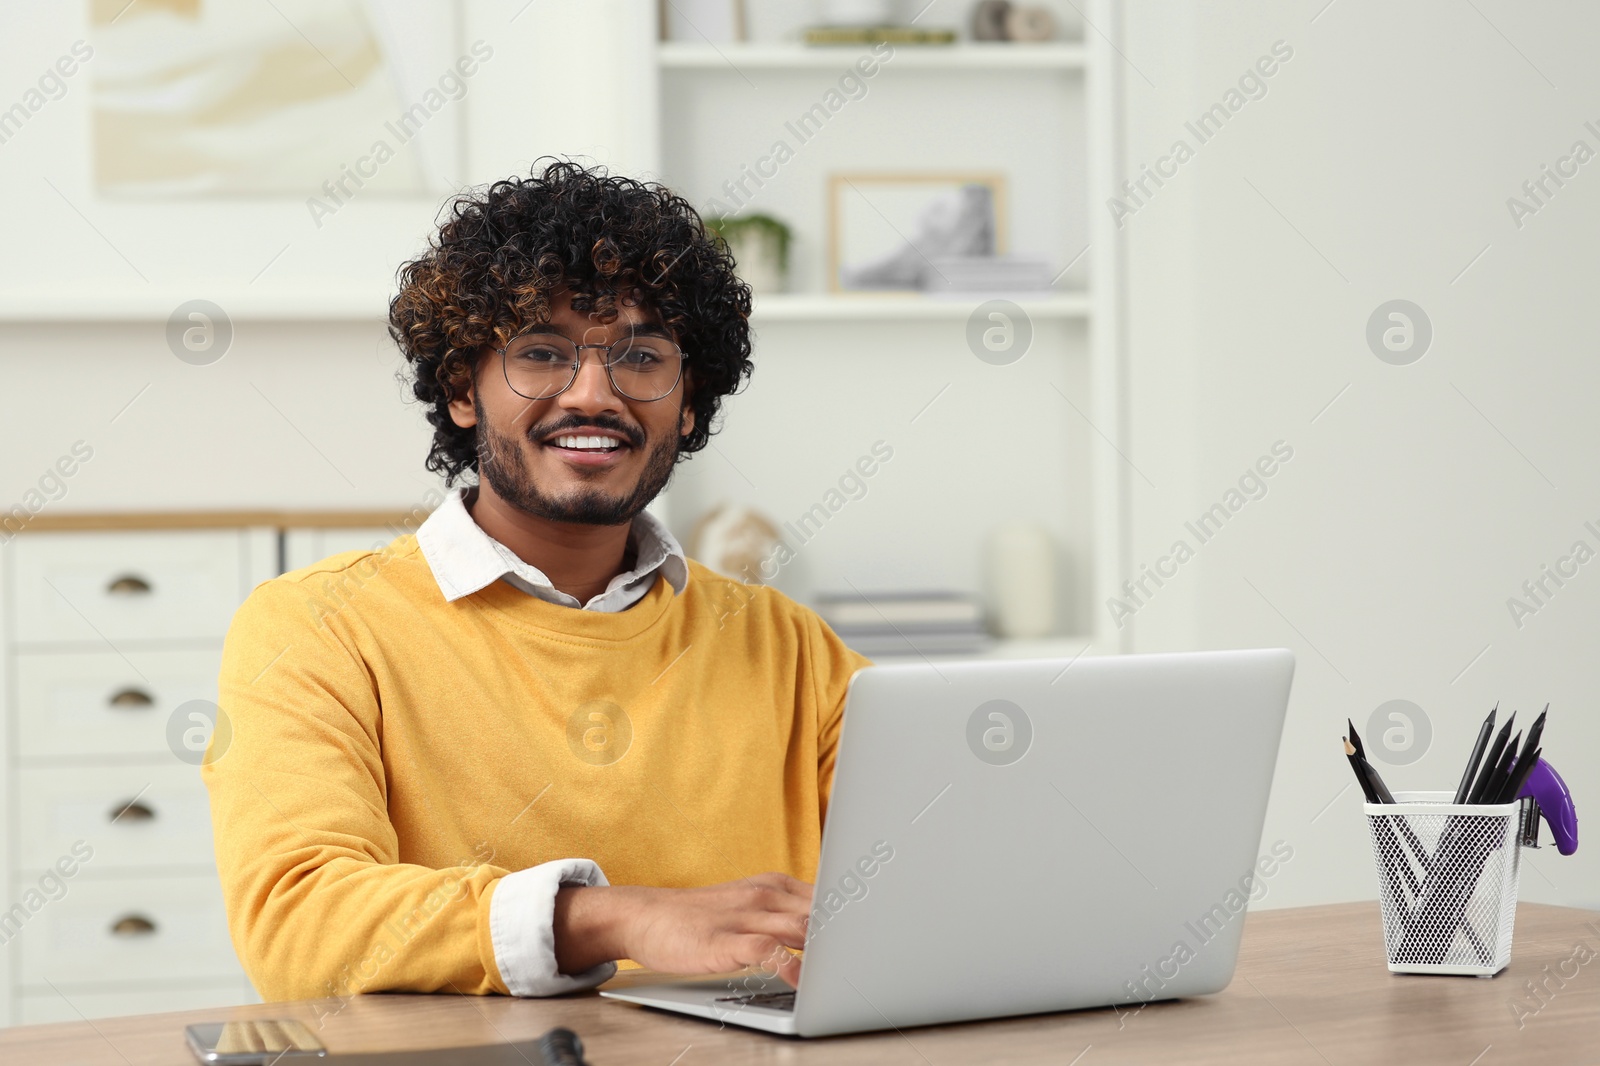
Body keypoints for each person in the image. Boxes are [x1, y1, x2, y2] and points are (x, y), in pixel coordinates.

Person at [202, 159, 869, 1004]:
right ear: (461, 392)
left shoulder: (790, 646)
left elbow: (944, 871)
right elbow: (299, 923)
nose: (594, 394)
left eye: (642, 356)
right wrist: (615, 919)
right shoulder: (317, 627)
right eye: (542, 353)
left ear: (690, 403)